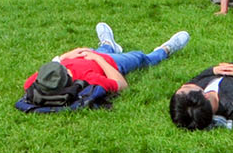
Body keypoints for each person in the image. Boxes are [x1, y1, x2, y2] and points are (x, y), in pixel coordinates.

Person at [18, 24, 191, 112]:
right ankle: (166, 49)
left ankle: (108, 43)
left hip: (86, 55)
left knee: (102, 49)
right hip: (110, 62)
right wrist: (98, 59)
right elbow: (121, 84)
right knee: (140, 57)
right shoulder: (88, 79)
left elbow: (50, 68)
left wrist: (66, 56)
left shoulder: (36, 81)